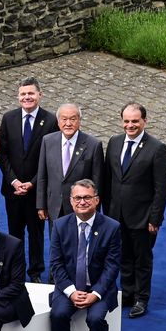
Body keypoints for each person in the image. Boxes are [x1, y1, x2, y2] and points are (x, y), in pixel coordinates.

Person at [50, 179, 121, 331]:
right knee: (58, 315)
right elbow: (56, 264)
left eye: (87, 197)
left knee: (96, 318)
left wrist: (96, 294)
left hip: (99, 289)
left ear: (96, 200)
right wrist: (71, 293)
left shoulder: (111, 227)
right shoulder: (60, 225)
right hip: (69, 287)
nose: (82, 202)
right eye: (78, 198)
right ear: (71, 201)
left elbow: (112, 266)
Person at [102, 103, 166, 318]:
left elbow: (162, 188)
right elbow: (107, 179)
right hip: (116, 214)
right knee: (122, 256)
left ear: (144, 121)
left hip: (143, 218)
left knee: (141, 259)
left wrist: (155, 218)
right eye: (126, 121)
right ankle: (128, 293)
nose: (130, 125)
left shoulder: (157, 148)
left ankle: (142, 298)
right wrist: (106, 212)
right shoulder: (114, 142)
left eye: (135, 121)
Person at [0, 77, 58, 283]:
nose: (27, 97)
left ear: (40, 95)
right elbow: (2, 154)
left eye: (31, 93)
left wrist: (32, 182)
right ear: (18, 96)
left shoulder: (51, 121)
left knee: (36, 233)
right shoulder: (8, 118)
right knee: (14, 234)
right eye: (23, 94)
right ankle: (16, 271)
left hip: (37, 190)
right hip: (13, 189)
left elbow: (51, 158)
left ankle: (35, 272)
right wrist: (14, 180)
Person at [36, 103, 104, 246]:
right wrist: (41, 204)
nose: (68, 123)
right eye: (64, 119)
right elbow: (43, 175)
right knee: (57, 246)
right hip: (54, 206)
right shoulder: (48, 141)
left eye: (73, 119)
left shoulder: (93, 144)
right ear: (58, 121)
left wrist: (93, 208)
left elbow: (97, 180)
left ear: (79, 120)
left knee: (79, 247)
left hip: (81, 207)